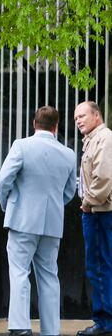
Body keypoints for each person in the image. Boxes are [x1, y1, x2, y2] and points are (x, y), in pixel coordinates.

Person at [0, 106, 76, 336]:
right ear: (56, 126)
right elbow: (69, 191)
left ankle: (21, 327)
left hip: (22, 220)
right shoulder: (68, 154)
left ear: (34, 123)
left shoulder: (21, 146)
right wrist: (54, 206)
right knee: (49, 276)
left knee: (20, 272)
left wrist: (8, 206)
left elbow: (3, 181)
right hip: (52, 223)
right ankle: (51, 330)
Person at [74, 101, 112, 336]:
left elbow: (103, 178)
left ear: (96, 116)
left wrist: (87, 203)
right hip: (97, 212)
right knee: (100, 265)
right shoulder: (93, 139)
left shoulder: (104, 138)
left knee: (99, 266)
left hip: (99, 213)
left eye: (82, 115)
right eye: (76, 117)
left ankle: (105, 323)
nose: (78, 120)